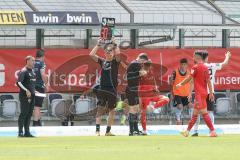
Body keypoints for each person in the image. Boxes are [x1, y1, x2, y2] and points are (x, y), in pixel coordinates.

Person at [176, 50, 217, 137]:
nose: (192, 58)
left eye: (193, 56)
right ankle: (187, 132)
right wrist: (210, 93)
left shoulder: (195, 67)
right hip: (204, 93)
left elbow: (189, 78)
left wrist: (180, 84)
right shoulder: (205, 67)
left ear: (197, 57)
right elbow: (209, 82)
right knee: (194, 114)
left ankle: (212, 131)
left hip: (199, 94)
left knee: (204, 113)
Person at [191, 51, 231, 136]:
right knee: (209, 112)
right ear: (205, 58)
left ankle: (195, 131)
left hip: (199, 92)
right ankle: (211, 131)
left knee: (196, 112)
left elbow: (191, 80)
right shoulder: (212, 66)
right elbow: (224, 63)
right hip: (210, 92)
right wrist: (227, 56)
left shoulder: (197, 67)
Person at [89, 37, 121, 136]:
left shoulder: (116, 62)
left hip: (112, 90)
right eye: (107, 51)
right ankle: (97, 131)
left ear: (113, 52)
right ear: (105, 53)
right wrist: (98, 45)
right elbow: (91, 55)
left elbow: (119, 54)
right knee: (100, 109)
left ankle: (108, 131)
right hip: (102, 89)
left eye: (111, 51)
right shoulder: (102, 61)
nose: (109, 53)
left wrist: (115, 44)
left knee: (112, 110)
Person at [139, 60, 169, 135]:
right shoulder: (141, 72)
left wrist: (155, 87)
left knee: (166, 99)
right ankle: (144, 130)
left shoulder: (151, 72)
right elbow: (141, 74)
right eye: (147, 65)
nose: (149, 67)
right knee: (143, 113)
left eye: (149, 65)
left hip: (152, 94)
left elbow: (153, 80)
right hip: (144, 96)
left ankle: (153, 106)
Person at [126, 53, 149, 136]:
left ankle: (135, 129)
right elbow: (143, 73)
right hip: (131, 89)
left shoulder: (135, 64)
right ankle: (131, 131)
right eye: (143, 62)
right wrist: (143, 71)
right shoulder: (135, 64)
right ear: (141, 59)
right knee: (133, 110)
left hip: (134, 89)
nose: (143, 63)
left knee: (136, 110)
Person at [17, 56, 36, 137]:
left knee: (29, 114)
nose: (34, 62)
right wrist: (26, 90)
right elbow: (19, 83)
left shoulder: (33, 71)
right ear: (27, 61)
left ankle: (27, 132)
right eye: (32, 60)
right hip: (25, 97)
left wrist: (33, 90)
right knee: (24, 113)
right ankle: (20, 132)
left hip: (32, 96)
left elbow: (31, 84)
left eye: (34, 61)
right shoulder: (23, 71)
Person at [170, 58, 193, 125]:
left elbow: (191, 83)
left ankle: (192, 120)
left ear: (187, 65)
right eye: (182, 64)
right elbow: (171, 83)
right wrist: (172, 93)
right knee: (179, 106)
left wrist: (190, 93)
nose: (183, 66)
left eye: (184, 64)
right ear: (180, 65)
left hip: (186, 94)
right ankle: (178, 120)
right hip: (177, 93)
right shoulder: (175, 72)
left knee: (191, 106)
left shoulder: (189, 72)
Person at [33, 50, 48, 126]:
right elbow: (43, 75)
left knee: (35, 106)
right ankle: (35, 123)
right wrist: (46, 84)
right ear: (42, 56)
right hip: (39, 86)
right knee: (37, 106)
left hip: (31, 87)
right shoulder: (42, 63)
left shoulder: (31, 63)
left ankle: (38, 121)